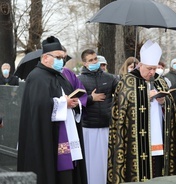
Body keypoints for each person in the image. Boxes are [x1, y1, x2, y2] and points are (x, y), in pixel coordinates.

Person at [108, 40, 176, 183]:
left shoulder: (160, 81)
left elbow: (171, 109)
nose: (152, 72)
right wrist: (144, 97)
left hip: (159, 136)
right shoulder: (127, 81)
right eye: (149, 68)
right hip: (134, 141)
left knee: (158, 171)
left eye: (154, 68)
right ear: (140, 65)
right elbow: (121, 109)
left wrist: (164, 102)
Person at [17, 36, 87, 184]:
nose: (61, 60)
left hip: (67, 132)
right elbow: (38, 106)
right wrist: (63, 103)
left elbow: (71, 96)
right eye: (58, 57)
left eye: (63, 57)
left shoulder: (60, 76)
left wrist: (75, 104)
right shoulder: (36, 77)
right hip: (48, 138)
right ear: (45, 58)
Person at [77, 49, 118, 184]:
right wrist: (90, 98)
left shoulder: (109, 78)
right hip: (89, 127)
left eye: (95, 59)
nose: (94, 62)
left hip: (107, 125)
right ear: (84, 63)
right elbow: (75, 102)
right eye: (91, 60)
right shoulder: (79, 80)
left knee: (106, 161)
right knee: (91, 162)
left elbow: (121, 93)